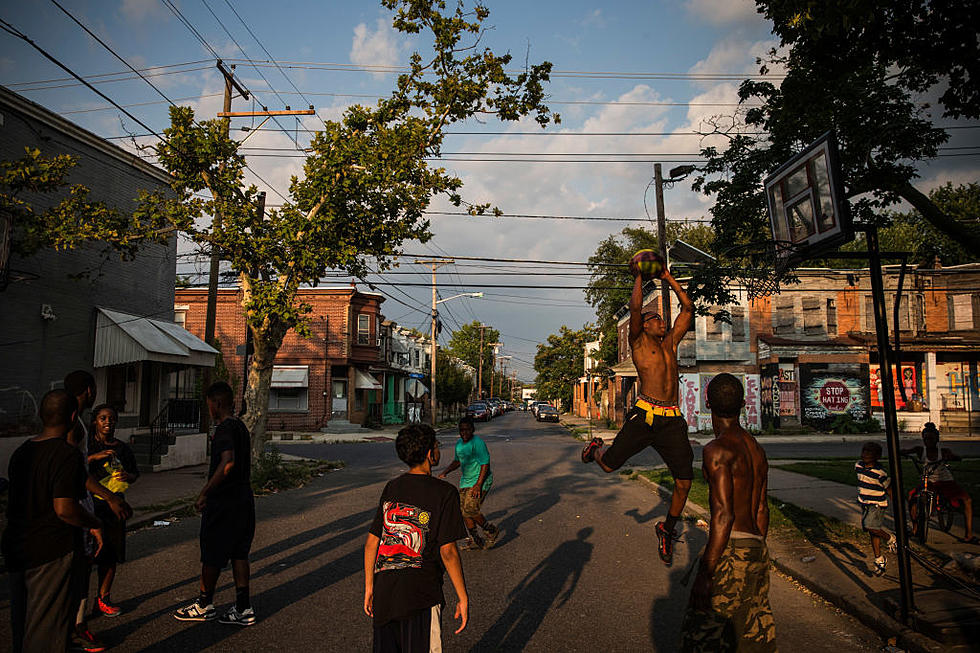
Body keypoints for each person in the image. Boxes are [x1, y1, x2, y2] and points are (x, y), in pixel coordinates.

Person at [581, 263, 695, 565]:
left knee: (684, 481)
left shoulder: (670, 343)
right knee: (608, 467)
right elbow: (634, 311)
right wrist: (639, 277)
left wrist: (668, 277)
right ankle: (595, 451)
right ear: (645, 325)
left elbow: (688, 310)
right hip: (644, 416)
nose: (661, 321)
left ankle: (666, 528)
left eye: (660, 318)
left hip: (671, 419)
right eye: (656, 318)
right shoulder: (638, 343)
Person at [680, 373, 776, 652]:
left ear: (707, 404)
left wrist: (707, 572)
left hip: (731, 549)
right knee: (752, 638)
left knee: (704, 638)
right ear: (744, 404)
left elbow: (723, 514)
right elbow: (761, 508)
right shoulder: (756, 449)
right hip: (756, 547)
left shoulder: (717, 450)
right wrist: (757, 550)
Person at [3, 389, 104, 653]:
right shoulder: (66, 455)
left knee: (22, 624)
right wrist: (93, 522)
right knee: (47, 630)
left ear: (40, 415)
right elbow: (65, 509)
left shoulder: (22, 451)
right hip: (50, 551)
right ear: (73, 417)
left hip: (18, 547)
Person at [364, 424, 469, 652]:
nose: (438, 450)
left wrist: (370, 587)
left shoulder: (392, 487)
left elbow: (373, 542)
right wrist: (463, 596)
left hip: (385, 593)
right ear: (430, 454)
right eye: (437, 445)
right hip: (421, 595)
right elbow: (448, 551)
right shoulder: (445, 493)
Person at [173, 381, 256, 626]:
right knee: (239, 553)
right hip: (244, 500)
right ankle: (243, 607)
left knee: (212, 554)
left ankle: (203, 603)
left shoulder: (223, 429)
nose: (209, 409)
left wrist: (205, 492)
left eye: (209, 404)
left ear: (217, 403)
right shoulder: (241, 427)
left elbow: (227, 463)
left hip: (225, 502)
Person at [64, 370, 131, 652]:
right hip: (75, 506)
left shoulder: (72, 422)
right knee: (77, 569)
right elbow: (75, 471)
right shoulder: (74, 426)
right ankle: (75, 628)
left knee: (86, 565)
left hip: (83, 506)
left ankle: (76, 623)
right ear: (89, 391)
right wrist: (107, 497)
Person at [87, 404, 140, 616]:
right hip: (91, 507)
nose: (108, 422)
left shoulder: (122, 448)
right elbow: (76, 468)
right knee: (87, 555)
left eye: (111, 418)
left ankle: (103, 598)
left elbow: (135, 474)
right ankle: (77, 607)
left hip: (115, 506)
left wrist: (129, 476)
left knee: (111, 554)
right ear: (95, 422)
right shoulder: (88, 446)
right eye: (103, 418)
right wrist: (94, 458)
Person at [901, 422, 976, 543]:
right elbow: (906, 451)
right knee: (912, 497)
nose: (928, 441)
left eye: (931, 439)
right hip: (928, 481)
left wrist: (953, 457)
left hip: (945, 481)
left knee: (967, 500)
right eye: (926, 439)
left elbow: (955, 456)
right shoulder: (920, 450)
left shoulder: (944, 451)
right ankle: (915, 528)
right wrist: (902, 452)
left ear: (937, 439)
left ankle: (969, 534)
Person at [438, 417, 499, 550]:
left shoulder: (478, 443)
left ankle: (491, 530)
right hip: (466, 481)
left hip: (481, 481)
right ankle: (475, 539)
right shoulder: (459, 444)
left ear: (472, 430)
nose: (464, 432)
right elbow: (457, 461)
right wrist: (445, 471)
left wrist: (478, 485)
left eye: (467, 430)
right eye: (461, 430)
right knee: (463, 512)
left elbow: (485, 464)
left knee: (471, 509)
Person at [854, 441, 896, 576]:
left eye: (869, 452)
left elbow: (889, 489)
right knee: (873, 531)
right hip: (865, 503)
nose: (865, 454)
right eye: (864, 451)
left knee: (870, 526)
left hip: (877, 504)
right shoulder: (858, 466)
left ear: (877, 456)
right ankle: (879, 559)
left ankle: (890, 538)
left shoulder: (880, 474)